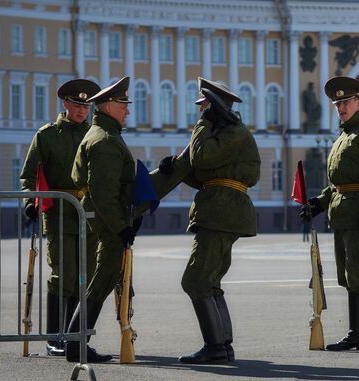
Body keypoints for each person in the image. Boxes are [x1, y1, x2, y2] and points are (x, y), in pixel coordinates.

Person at [161, 77, 261, 364]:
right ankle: (223, 345)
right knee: (210, 280)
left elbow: (203, 157)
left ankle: (216, 347)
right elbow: (206, 173)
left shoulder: (233, 133)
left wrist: (201, 126)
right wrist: (174, 168)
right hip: (221, 208)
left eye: (203, 105)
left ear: (214, 106)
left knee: (196, 279)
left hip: (222, 211)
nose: (200, 110)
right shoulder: (227, 133)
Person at [301, 76, 359, 353]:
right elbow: (338, 183)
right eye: (336, 103)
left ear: (358, 102)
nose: (340, 107)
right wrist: (319, 203)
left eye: (345, 102)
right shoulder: (344, 136)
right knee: (346, 276)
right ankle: (357, 334)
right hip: (343, 215)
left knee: (356, 272)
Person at [19, 79, 100, 356]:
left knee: (87, 277)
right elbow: (29, 175)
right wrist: (31, 200)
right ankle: (56, 337)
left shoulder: (95, 135)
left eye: (86, 105)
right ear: (66, 104)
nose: (82, 110)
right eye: (77, 104)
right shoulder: (47, 135)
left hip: (89, 217)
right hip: (60, 216)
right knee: (63, 276)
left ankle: (78, 340)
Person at [65, 77, 143, 363]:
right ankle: (76, 343)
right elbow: (103, 193)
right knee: (103, 277)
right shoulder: (105, 141)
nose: (128, 111)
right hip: (108, 218)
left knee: (104, 276)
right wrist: (122, 227)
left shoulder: (104, 134)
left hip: (105, 215)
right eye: (124, 105)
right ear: (109, 106)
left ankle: (76, 342)